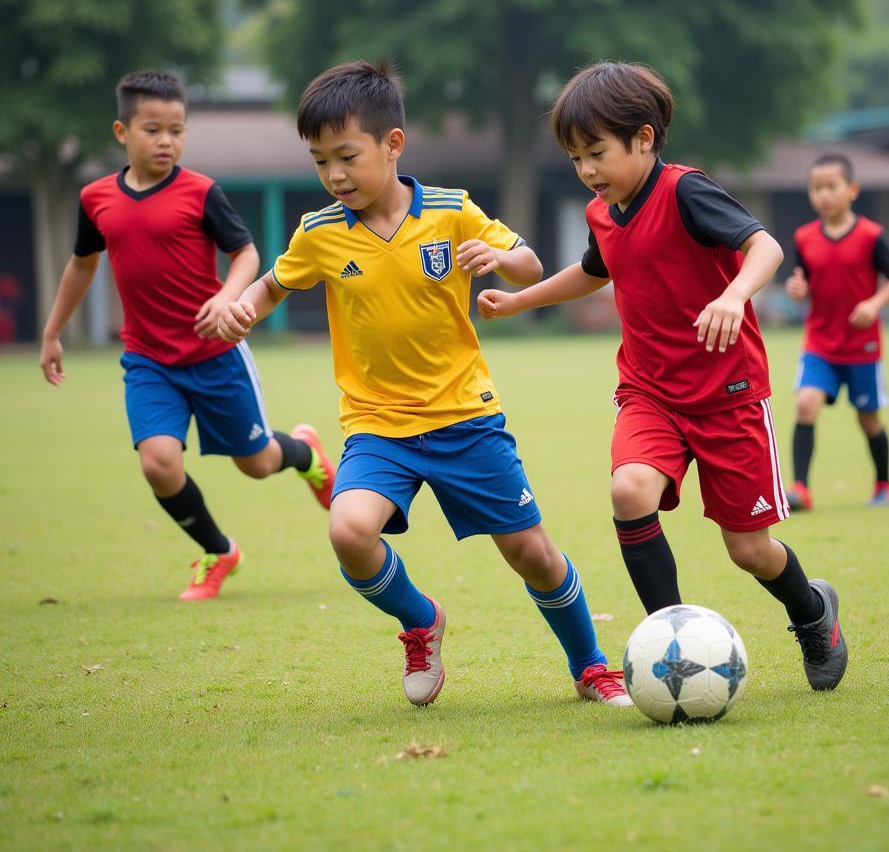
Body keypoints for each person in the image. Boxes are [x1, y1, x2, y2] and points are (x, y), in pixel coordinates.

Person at [216, 60, 630, 708]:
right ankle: (419, 620)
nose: (334, 176)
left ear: (393, 145)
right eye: (320, 162)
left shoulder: (450, 211)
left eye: (347, 157)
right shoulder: (319, 232)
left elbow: (529, 262)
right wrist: (242, 307)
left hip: (465, 417)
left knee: (532, 554)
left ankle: (591, 665)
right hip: (378, 425)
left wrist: (500, 259)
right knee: (349, 531)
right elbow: (273, 285)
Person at [478, 61, 847, 692]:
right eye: (575, 158)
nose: (588, 171)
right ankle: (668, 645)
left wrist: (733, 296)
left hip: (728, 395)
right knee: (630, 492)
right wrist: (523, 299)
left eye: (597, 152)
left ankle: (814, 614)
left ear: (644, 139)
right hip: (649, 392)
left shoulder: (686, 192)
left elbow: (766, 248)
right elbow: (597, 269)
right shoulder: (604, 211)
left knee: (749, 551)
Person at [39, 69, 335, 601]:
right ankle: (219, 551)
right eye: (153, 129)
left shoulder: (201, 193)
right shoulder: (95, 199)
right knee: (158, 463)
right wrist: (52, 332)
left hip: (216, 355)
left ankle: (306, 454)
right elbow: (82, 265)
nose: (166, 140)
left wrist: (227, 296)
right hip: (149, 360)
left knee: (259, 464)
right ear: (121, 132)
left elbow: (245, 253)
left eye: (177, 129)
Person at [783, 154, 889, 511]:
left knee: (868, 418)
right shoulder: (803, 238)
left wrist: (874, 303)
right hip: (820, 342)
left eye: (831, 186)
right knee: (805, 404)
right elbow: (803, 281)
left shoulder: (871, 236)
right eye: (816, 187)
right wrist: (798, 291)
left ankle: (884, 484)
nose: (824, 194)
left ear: (851, 190)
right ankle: (800, 489)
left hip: (862, 346)